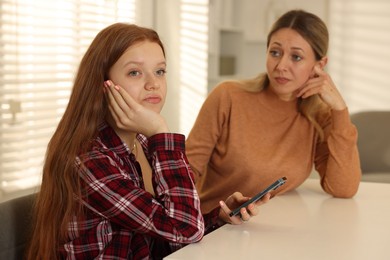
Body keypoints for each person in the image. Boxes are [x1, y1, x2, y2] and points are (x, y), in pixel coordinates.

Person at [26, 23, 269, 260]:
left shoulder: (141, 142)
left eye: (160, 71)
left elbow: (164, 230)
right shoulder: (89, 160)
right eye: (135, 72)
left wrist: (218, 218)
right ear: (102, 85)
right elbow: (184, 229)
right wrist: (161, 133)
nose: (153, 83)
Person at [186, 9, 361, 215]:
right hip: (213, 227)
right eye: (275, 52)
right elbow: (186, 170)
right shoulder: (228, 97)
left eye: (296, 57)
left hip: (270, 231)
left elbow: (343, 188)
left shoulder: (320, 117)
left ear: (320, 65)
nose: (281, 66)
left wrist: (340, 110)